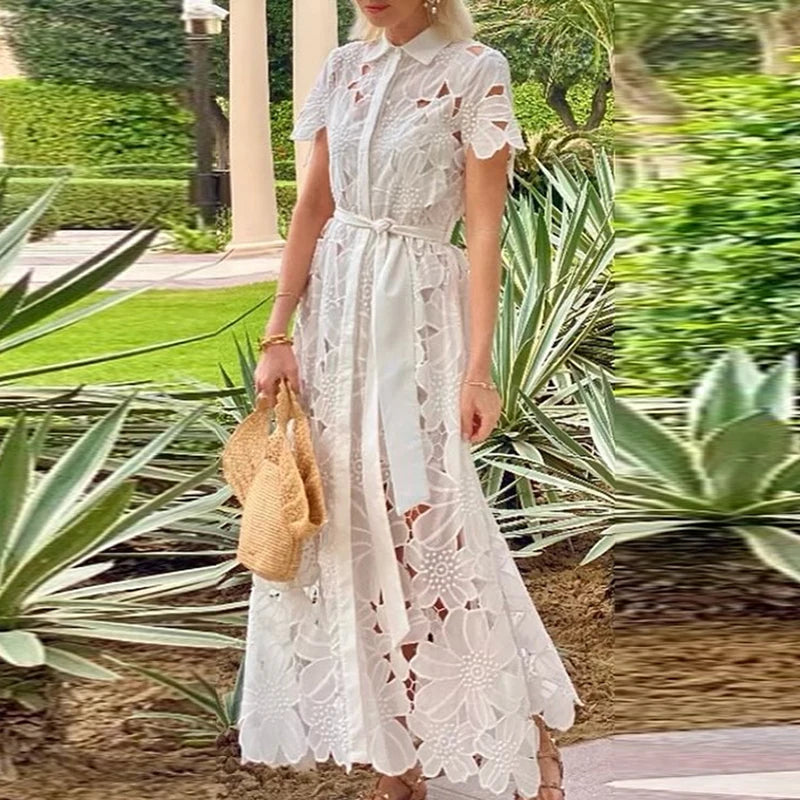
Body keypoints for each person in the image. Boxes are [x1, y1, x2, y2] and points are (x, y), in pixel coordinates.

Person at [238, 1, 581, 798]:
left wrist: (478, 370)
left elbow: (485, 231)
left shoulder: (475, 70)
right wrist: (277, 329)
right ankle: (395, 762)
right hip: (334, 325)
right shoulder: (340, 70)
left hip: (419, 319)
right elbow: (313, 209)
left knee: (434, 523)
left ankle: (525, 738)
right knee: (350, 527)